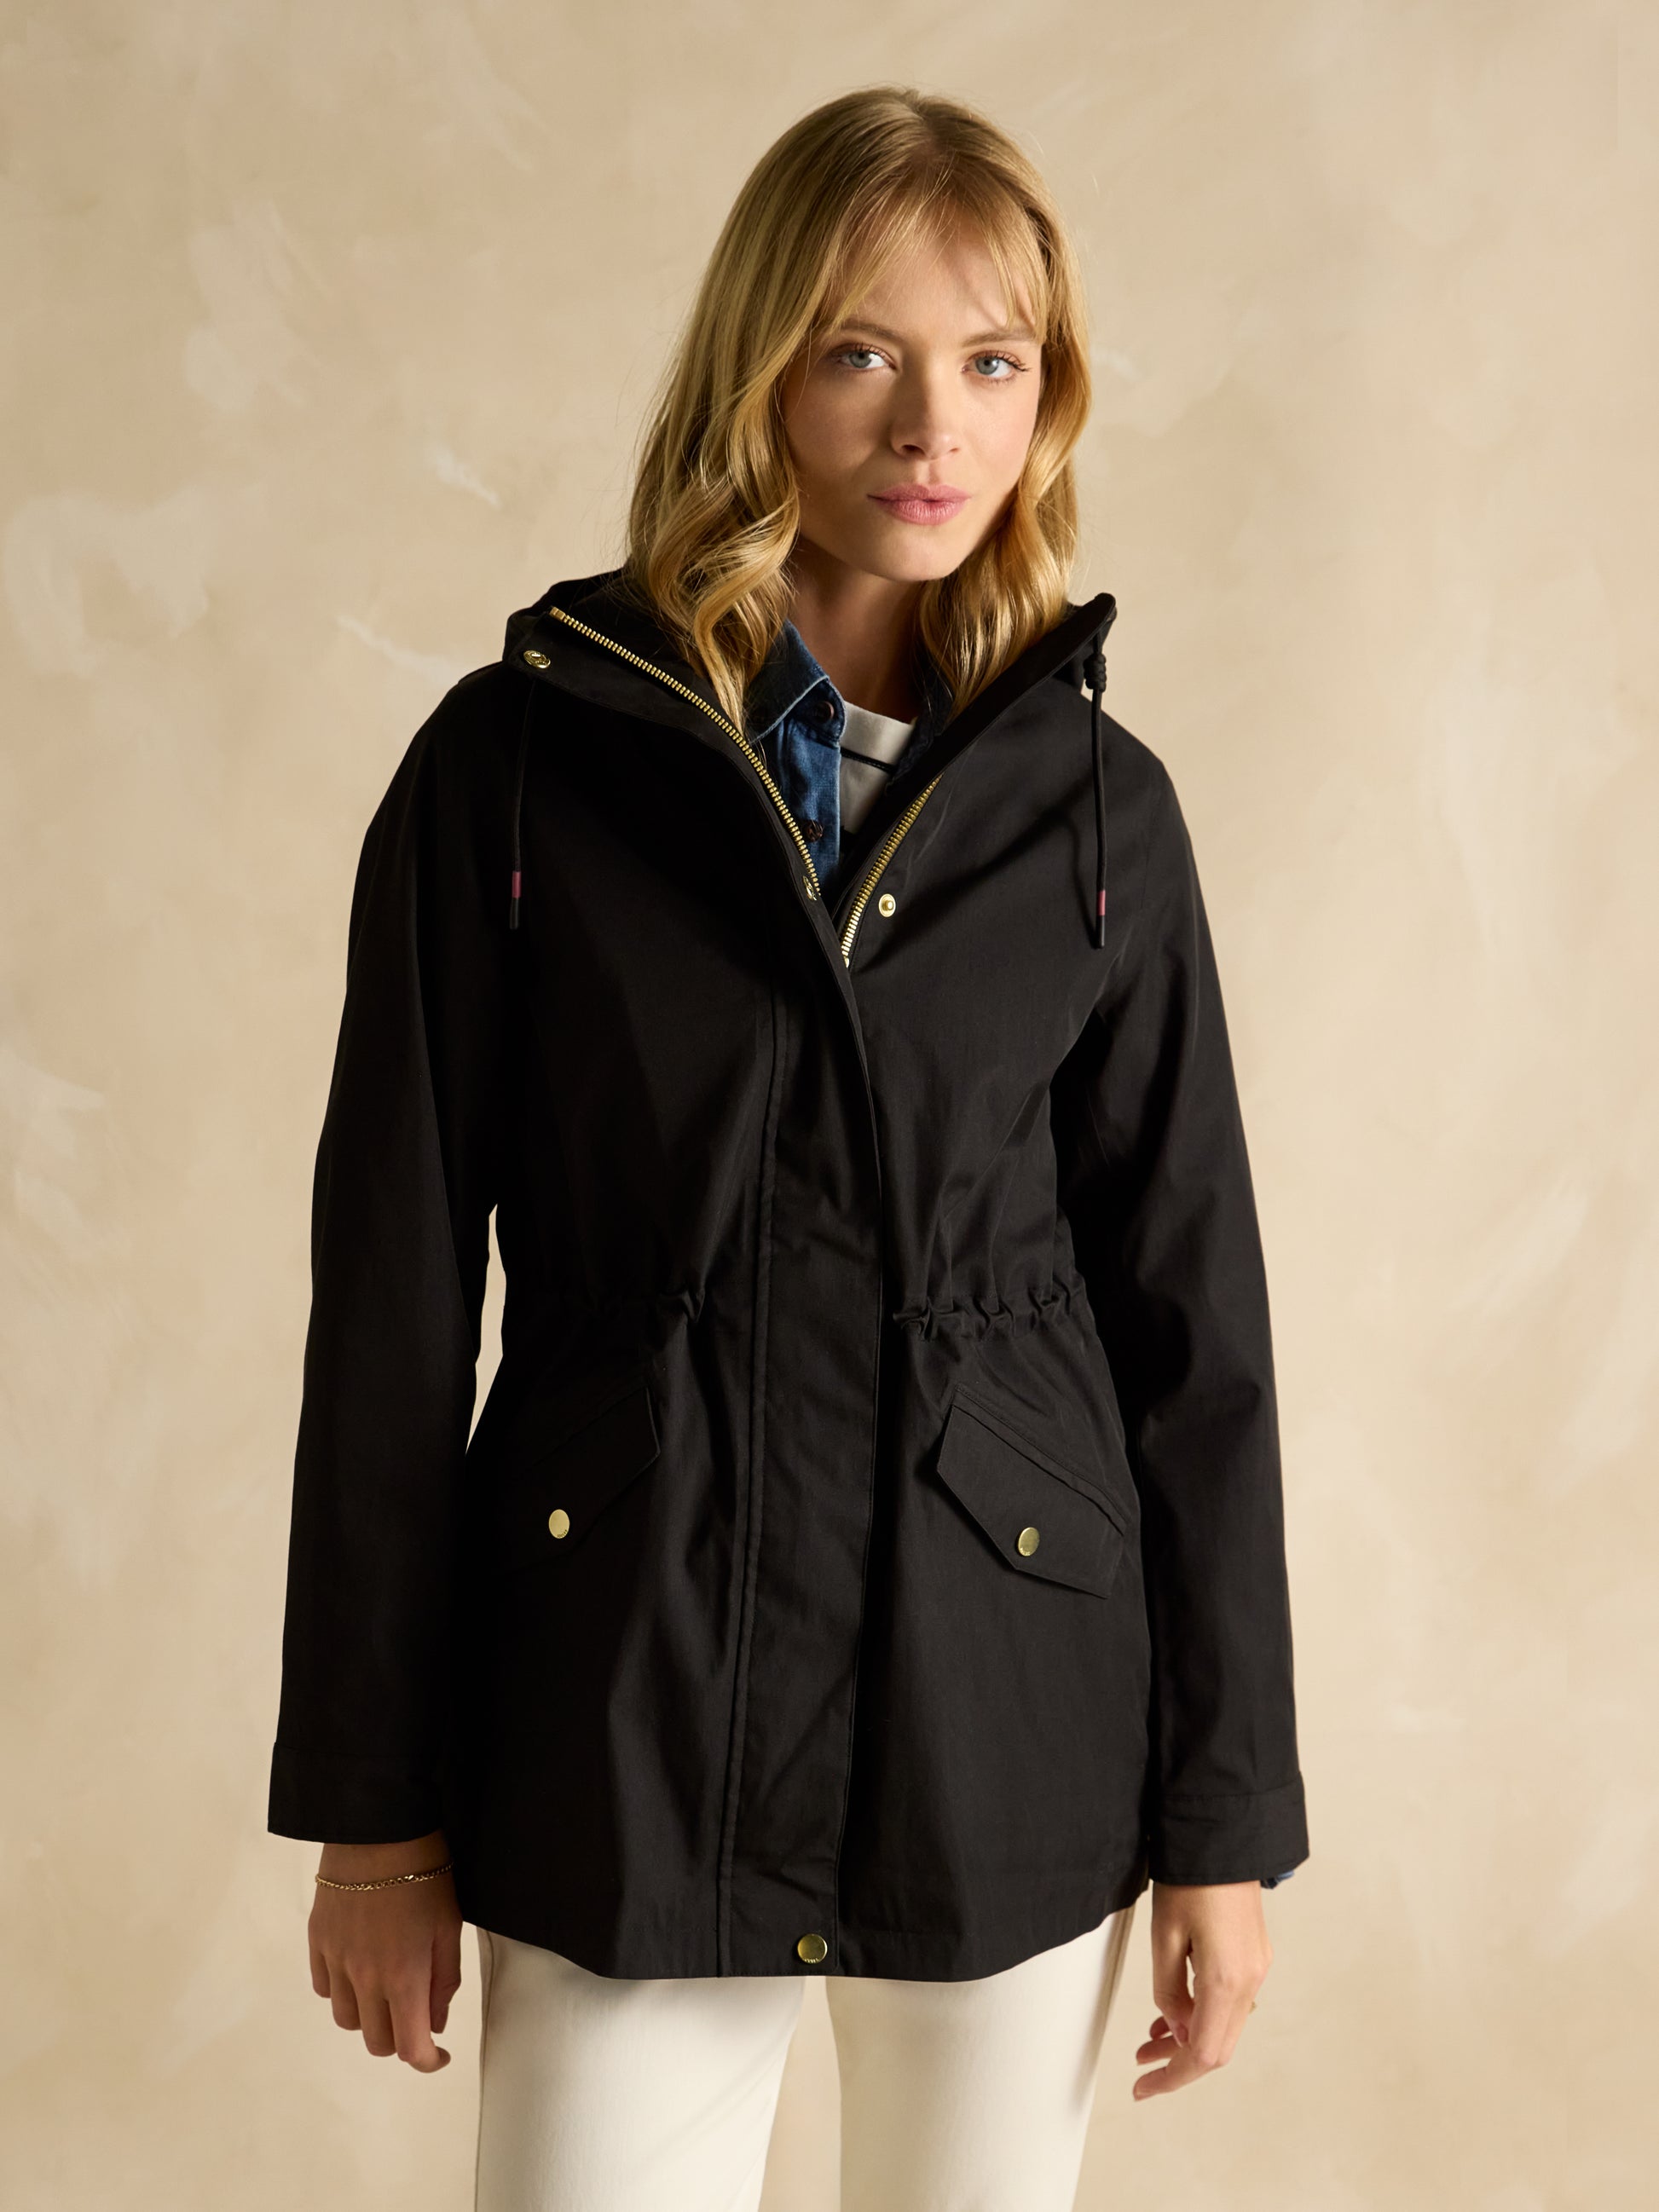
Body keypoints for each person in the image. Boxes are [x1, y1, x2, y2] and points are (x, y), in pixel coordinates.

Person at [269, 84, 1309, 2211]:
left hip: (1002, 1701)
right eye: (861, 352)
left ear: (1046, 395)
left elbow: (1193, 1332)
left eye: (992, 362)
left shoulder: (1097, 816)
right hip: (621, 1701)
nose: (934, 424)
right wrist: (373, 1807)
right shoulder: (518, 773)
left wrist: (1224, 1818)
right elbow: (390, 1303)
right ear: (759, 369)